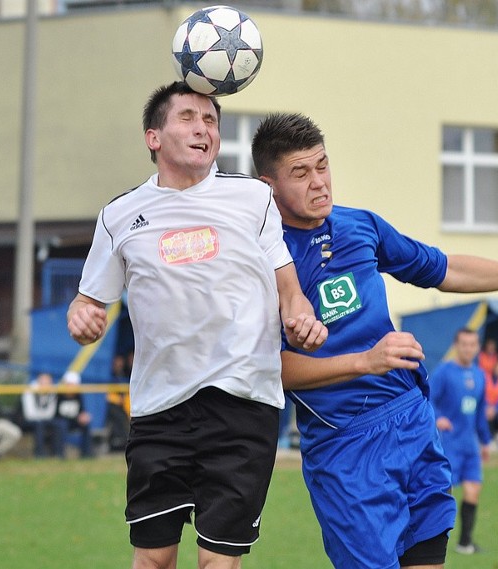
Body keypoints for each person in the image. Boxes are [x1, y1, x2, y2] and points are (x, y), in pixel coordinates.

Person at [250, 112, 498, 568]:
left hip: (410, 421)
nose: (320, 182)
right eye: (300, 174)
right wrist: (365, 361)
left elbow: (445, 269)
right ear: (268, 187)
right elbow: (267, 371)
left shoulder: (359, 226)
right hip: (346, 446)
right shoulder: (263, 260)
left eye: (323, 166)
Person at [66, 82, 326, 569]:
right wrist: (83, 318)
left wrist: (301, 318)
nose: (203, 129)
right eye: (188, 117)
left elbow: (288, 289)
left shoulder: (253, 198)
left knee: (217, 562)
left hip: (242, 401)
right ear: (153, 137)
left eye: (211, 121)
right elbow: (86, 301)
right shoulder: (119, 216)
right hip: (158, 407)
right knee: (154, 558)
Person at [429, 328, 491, 555]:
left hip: (470, 445)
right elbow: (428, 399)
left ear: (477, 347)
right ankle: (435, 545)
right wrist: (438, 418)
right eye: (464, 344)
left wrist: (485, 441)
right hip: (449, 444)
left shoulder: (479, 375)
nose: (468, 348)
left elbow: (481, 412)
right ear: (456, 345)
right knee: (446, 494)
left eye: (472, 344)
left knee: (473, 490)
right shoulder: (444, 372)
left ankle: (465, 543)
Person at [21, 372, 61, 458]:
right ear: (38, 381)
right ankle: (39, 454)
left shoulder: (52, 392)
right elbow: (29, 414)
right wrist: (42, 416)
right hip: (27, 420)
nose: (45, 384)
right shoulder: (30, 390)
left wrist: (42, 416)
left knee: (60, 424)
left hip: (44, 419)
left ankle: (58, 454)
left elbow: (51, 413)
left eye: (47, 382)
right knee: (39, 425)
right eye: (43, 381)